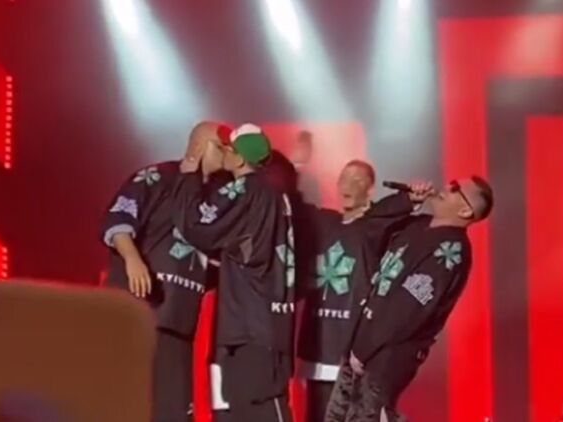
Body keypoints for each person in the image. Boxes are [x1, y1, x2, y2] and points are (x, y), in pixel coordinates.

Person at [325, 176, 494, 422]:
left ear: (465, 210)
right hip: (360, 344)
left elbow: (407, 309)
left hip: (383, 358)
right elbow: (369, 226)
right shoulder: (418, 225)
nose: (447, 186)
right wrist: (406, 201)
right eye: (452, 182)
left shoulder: (451, 251)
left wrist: (364, 350)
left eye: (456, 189)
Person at [100, 121, 230, 422]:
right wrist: (133, 259)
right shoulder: (157, 177)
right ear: (199, 147)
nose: (227, 154)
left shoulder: (218, 197)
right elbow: (119, 220)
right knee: (124, 400)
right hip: (138, 312)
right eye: (221, 147)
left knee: (173, 408)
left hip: (179, 320)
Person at [172, 123, 296, 422]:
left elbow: (197, 226)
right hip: (264, 320)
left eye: (226, 149)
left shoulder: (246, 188)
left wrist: (189, 175)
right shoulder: (273, 194)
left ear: (239, 159)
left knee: (260, 407)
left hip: (251, 322)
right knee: (250, 405)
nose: (223, 154)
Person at [295, 160, 432, 422]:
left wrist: (408, 199)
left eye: (358, 180)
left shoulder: (372, 228)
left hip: (351, 351)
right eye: (345, 178)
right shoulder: (324, 222)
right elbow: (294, 207)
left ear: (370, 189)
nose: (349, 184)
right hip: (317, 347)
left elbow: (385, 214)